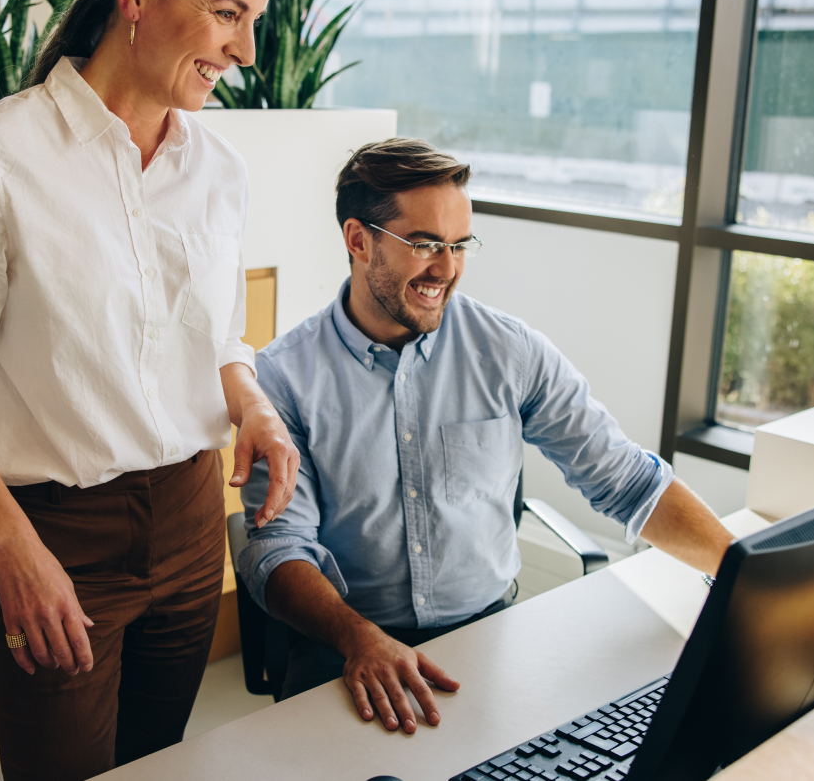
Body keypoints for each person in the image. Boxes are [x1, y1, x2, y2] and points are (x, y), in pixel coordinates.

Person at [0, 0, 299, 781]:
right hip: (55, 533)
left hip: (192, 523)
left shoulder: (218, 169)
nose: (245, 50)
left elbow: (221, 338)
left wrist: (254, 404)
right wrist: (12, 549)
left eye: (253, 20)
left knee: (155, 766)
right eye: (228, 14)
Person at [237, 138, 735, 736]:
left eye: (458, 245)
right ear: (358, 240)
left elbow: (624, 479)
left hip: (487, 640)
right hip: (343, 648)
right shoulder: (284, 376)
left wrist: (741, 574)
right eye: (424, 245)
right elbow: (279, 548)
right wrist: (357, 637)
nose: (446, 269)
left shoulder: (509, 351)